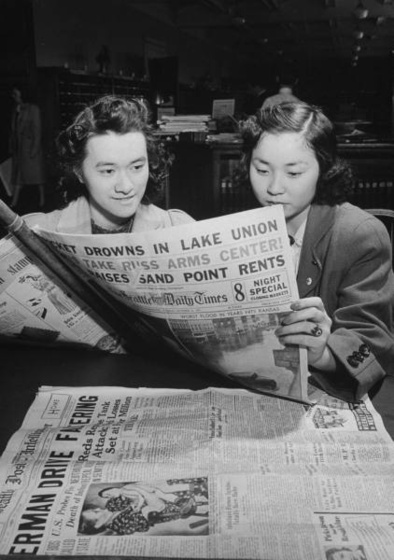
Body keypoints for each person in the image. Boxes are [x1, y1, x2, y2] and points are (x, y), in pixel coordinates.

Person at [238, 101, 394, 402]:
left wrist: (323, 354)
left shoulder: (359, 235)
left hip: (326, 390)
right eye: (261, 170)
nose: (274, 187)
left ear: (324, 168)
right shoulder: (243, 227)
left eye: (294, 173)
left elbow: (375, 346)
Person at [23, 95, 194, 233]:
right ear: (79, 172)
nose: (126, 187)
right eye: (108, 171)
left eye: (136, 167)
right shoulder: (38, 233)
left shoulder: (178, 228)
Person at [9, 84, 46, 209]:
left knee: (37, 177)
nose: (13, 96)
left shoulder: (33, 109)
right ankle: (14, 201)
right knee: (19, 176)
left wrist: (34, 149)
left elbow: (37, 130)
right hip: (19, 148)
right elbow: (14, 130)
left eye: (16, 94)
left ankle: (42, 199)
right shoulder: (16, 108)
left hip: (30, 147)